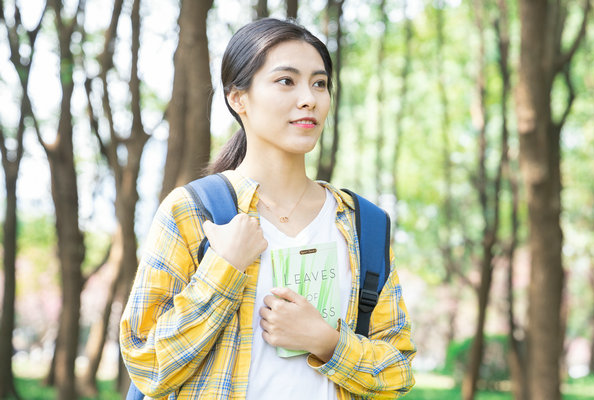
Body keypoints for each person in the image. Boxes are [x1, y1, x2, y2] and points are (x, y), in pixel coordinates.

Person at [120, 17, 416, 399]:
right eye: (286, 81)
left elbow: (399, 369)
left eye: (319, 83)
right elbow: (147, 363)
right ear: (237, 97)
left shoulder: (362, 224)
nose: (308, 97)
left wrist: (327, 342)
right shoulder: (194, 212)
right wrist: (223, 270)